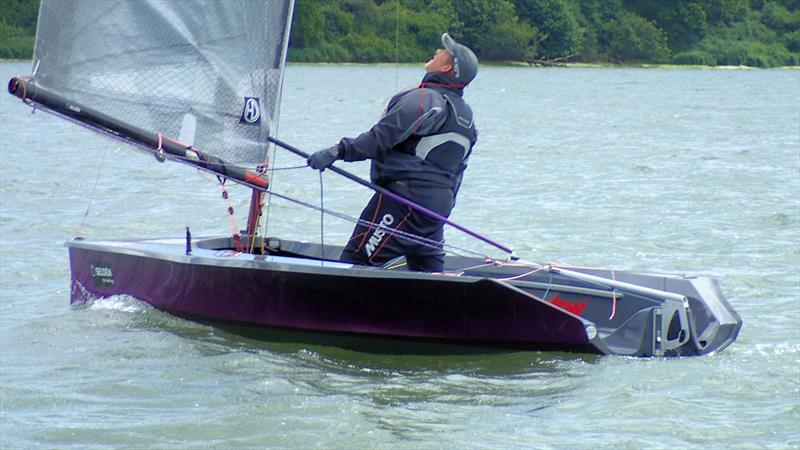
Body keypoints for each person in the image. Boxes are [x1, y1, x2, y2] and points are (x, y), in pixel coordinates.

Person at [307, 33, 478, 272]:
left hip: (402, 202)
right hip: (437, 209)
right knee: (428, 277)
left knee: (356, 261)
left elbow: (380, 138)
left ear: (448, 66)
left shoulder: (425, 100)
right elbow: (458, 173)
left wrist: (336, 151)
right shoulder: (467, 119)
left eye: (443, 52)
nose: (438, 52)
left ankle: (333, 308)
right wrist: (441, 210)